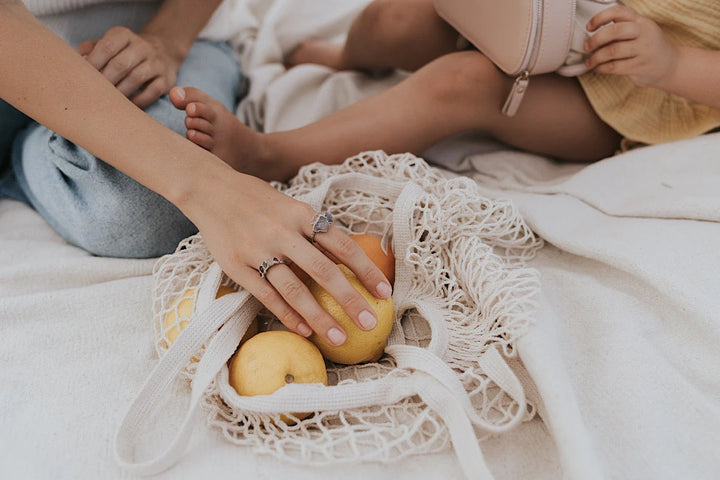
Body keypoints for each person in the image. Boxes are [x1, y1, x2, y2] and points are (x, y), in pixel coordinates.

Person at [0, 1, 394, 348]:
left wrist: (167, 39)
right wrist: (210, 187)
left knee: (141, 204)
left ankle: (32, 152)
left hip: (154, 36)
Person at [168, 0, 720, 183]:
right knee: (398, 20)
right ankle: (346, 55)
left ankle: (270, 154)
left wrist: (672, 64)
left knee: (466, 80)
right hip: (554, 19)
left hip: (636, 100)